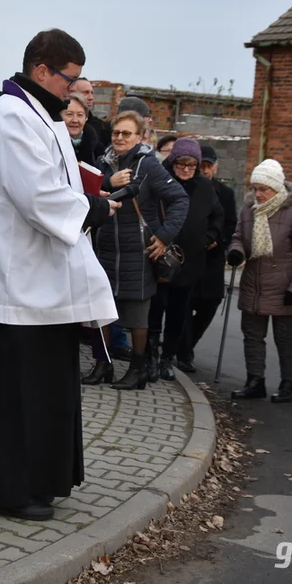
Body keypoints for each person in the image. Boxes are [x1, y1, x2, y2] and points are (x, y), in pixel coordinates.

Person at [0, 28, 118, 521]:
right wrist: (93, 209)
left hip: (38, 277)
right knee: (18, 396)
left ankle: (23, 479)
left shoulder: (39, 116)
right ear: (42, 70)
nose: (76, 91)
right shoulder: (12, 121)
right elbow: (40, 196)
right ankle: (7, 488)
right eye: (71, 80)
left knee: (30, 392)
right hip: (19, 277)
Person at [86, 109, 189, 389]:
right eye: (116, 132)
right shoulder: (103, 162)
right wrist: (108, 181)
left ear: (140, 136)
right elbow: (89, 195)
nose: (120, 138)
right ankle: (102, 364)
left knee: (137, 316)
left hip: (138, 252)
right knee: (102, 312)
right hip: (106, 249)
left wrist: (165, 236)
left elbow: (180, 199)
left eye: (126, 133)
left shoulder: (149, 165)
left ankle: (138, 369)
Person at [227, 159, 292, 404]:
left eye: (263, 189)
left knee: (285, 338)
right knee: (252, 335)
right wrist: (236, 251)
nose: (257, 194)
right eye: (254, 188)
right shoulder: (249, 208)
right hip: (254, 284)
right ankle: (255, 381)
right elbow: (238, 236)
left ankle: (290, 384)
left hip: (285, 288)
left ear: (277, 188)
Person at [149, 138, 223, 380]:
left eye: (192, 165)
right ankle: (150, 357)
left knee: (178, 313)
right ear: (172, 162)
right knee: (155, 309)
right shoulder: (161, 181)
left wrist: (207, 238)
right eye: (181, 163)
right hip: (159, 258)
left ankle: (168, 358)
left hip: (189, 261)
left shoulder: (204, 187)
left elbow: (217, 219)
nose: (186, 169)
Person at [179, 145, 237, 372]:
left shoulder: (226, 193)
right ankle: (184, 352)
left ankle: (186, 343)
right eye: (200, 166)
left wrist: (219, 240)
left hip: (212, 259)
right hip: (190, 257)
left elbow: (230, 223)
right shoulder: (187, 188)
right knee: (185, 303)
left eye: (208, 166)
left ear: (215, 167)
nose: (205, 170)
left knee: (210, 303)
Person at [70, 77, 107, 160]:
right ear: (71, 92)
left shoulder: (99, 127)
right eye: (86, 92)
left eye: (92, 93)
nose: (91, 97)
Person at [61, 93, 100, 165]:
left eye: (80, 115)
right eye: (69, 114)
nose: (75, 120)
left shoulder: (96, 146)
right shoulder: (52, 143)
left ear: (86, 118)